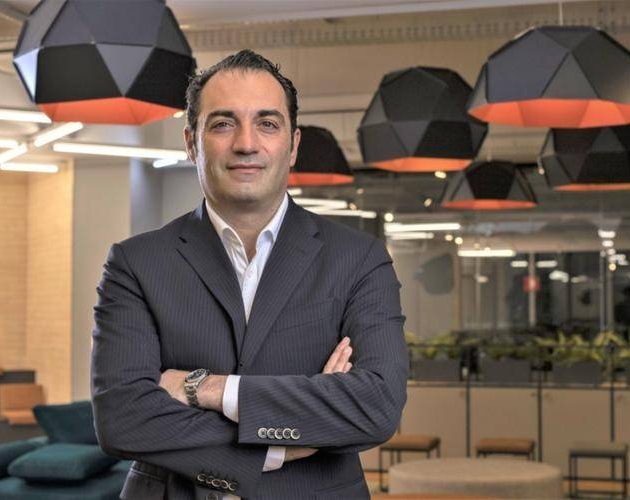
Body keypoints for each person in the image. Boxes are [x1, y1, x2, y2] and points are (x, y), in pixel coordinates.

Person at [91, 49, 408, 500]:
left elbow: (375, 407)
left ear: (292, 145)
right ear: (191, 143)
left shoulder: (358, 259)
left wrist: (206, 388)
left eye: (267, 123)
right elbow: (122, 419)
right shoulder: (136, 263)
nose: (246, 143)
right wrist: (275, 447)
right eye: (223, 123)